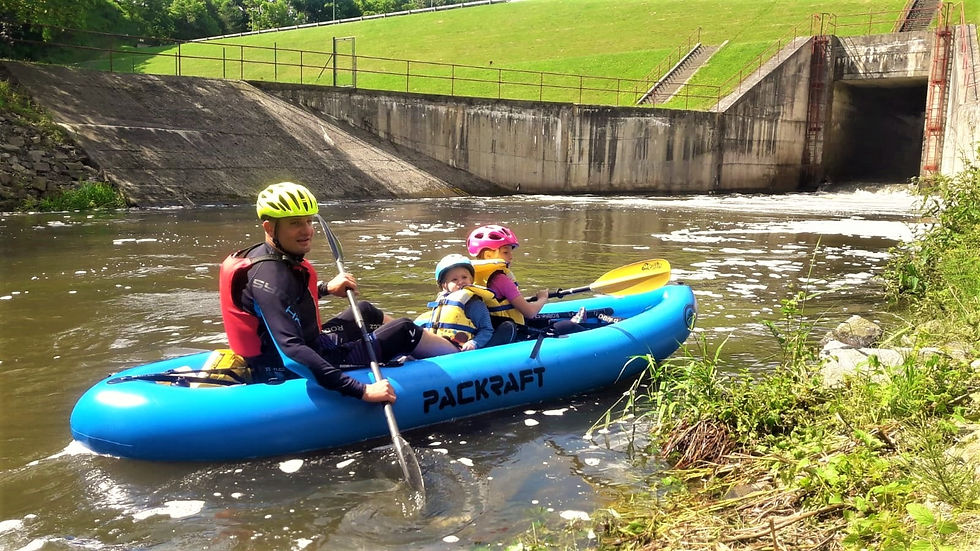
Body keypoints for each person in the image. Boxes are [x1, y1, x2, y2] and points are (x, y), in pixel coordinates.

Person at [219, 182, 457, 403]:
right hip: (291, 366)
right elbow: (292, 353)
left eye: (309, 221)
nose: (307, 230)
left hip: (310, 344)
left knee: (364, 311)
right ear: (270, 227)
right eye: (295, 223)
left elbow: (287, 300)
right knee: (404, 331)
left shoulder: (267, 256)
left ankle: (424, 347)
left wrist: (325, 289)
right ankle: (460, 356)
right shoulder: (270, 277)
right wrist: (362, 390)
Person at [416, 254, 495, 351]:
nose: (461, 282)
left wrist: (474, 343)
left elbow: (486, 329)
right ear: (444, 286)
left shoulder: (475, 304)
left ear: (471, 280)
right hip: (436, 343)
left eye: (464, 277)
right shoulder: (442, 302)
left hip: (458, 348)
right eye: (454, 279)